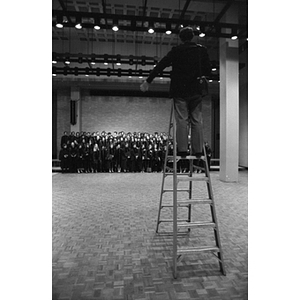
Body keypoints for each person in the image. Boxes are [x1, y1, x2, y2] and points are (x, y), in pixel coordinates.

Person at [140, 26, 211, 157]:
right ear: (193, 36)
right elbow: (208, 70)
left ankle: (182, 150)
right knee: (197, 120)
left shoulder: (176, 51)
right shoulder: (202, 50)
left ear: (181, 38)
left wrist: (148, 81)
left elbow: (161, 65)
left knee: (182, 120)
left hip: (180, 90)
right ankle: (198, 151)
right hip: (196, 90)